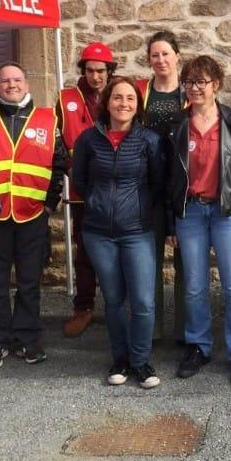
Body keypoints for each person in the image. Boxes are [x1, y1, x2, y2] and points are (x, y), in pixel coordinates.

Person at [166, 55, 231, 386]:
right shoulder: (177, 124)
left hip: (227, 213)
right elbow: (169, 178)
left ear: (216, 85)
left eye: (200, 82)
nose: (193, 88)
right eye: (188, 82)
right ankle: (198, 346)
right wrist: (169, 223)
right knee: (194, 285)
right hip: (190, 213)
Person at [73, 76, 167, 389]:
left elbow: (157, 186)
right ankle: (120, 359)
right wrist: (101, 205)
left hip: (137, 231)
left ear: (137, 105)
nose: (123, 104)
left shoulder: (149, 140)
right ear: (107, 102)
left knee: (142, 301)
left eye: (130, 98)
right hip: (99, 233)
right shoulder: (89, 139)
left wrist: (133, 209)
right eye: (117, 97)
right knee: (113, 299)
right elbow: (81, 181)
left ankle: (140, 362)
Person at [0, 62, 67, 371]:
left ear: (26, 85)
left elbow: (59, 164)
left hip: (33, 215)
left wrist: (50, 203)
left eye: (17, 80)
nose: (11, 85)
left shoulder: (47, 119)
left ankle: (28, 338)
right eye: (4, 81)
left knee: (30, 282)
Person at [59, 41, 116, 338]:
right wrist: (70, 168)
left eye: (101, 71)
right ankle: (83, 307)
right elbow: (56, 144)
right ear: (83, 70)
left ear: (109, 72)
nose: (96, 76)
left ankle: (118, 306)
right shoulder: (65, 98)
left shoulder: (119, 97)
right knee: (85, 252)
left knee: (119, 249)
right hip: (82, 190)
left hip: (117, 189)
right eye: (91, 70)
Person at [134, 30, 187, 342]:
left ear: (177, 55)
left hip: (184, 186)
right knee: (148, 261)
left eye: (166, 53)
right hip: (147, 185)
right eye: (155, 55)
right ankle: (150, 332)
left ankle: (185, 331)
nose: (161, 60)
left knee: (187, 263)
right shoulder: (140, 91)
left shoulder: (191, 91)